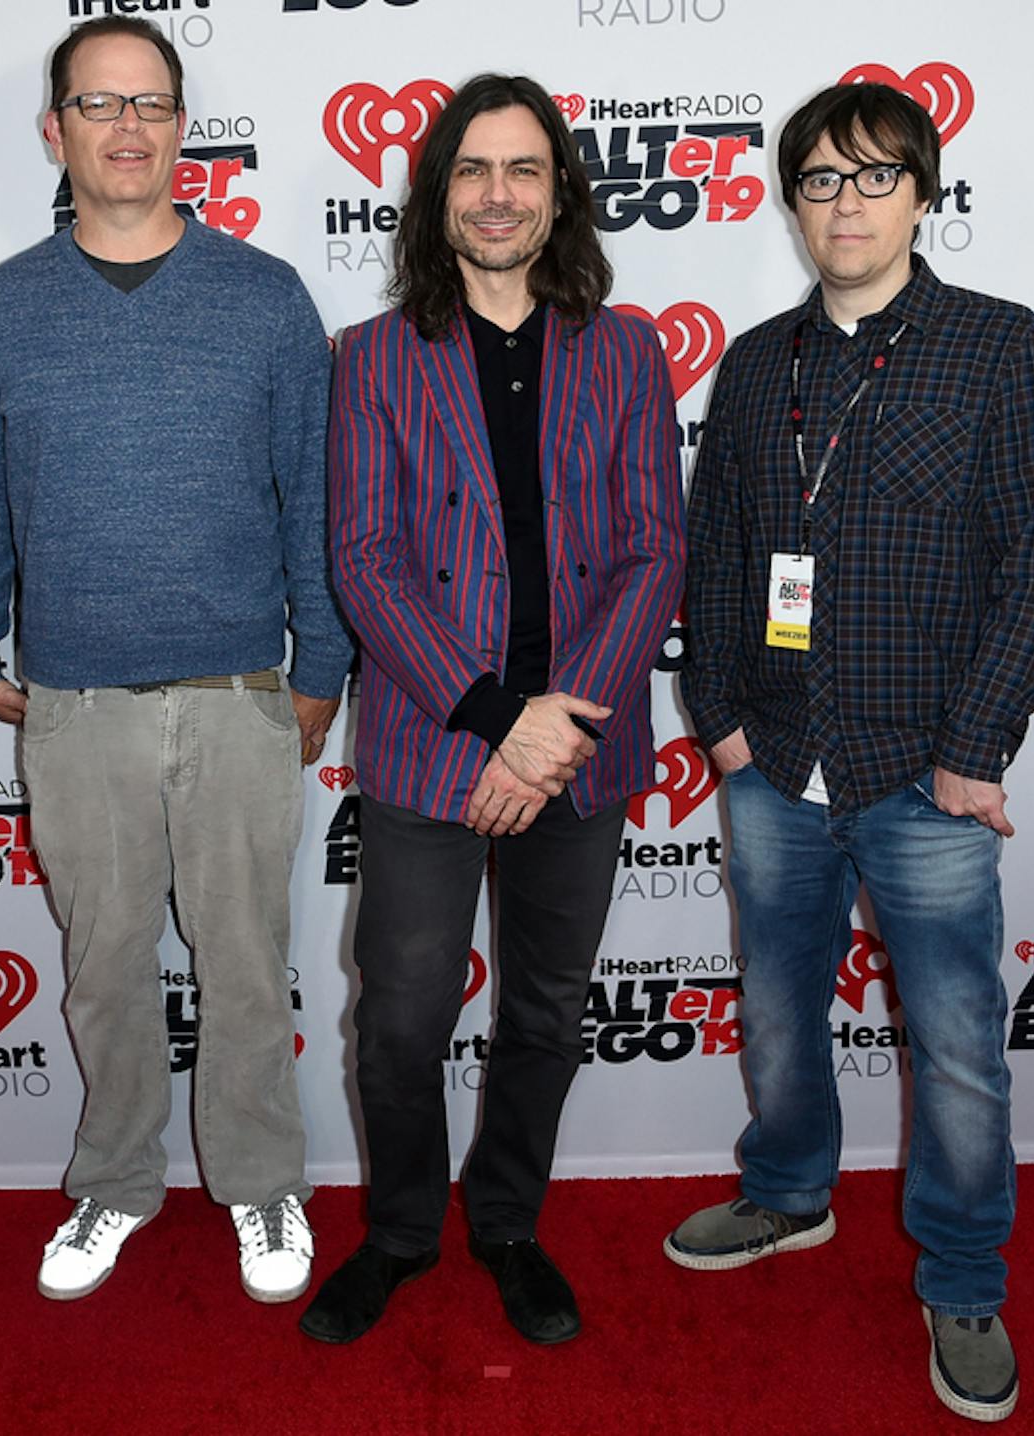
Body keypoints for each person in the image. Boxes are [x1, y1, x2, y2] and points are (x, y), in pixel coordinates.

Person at [669, 81, 1034, 1422]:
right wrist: (721, 717)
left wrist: (976, 744)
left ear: (923, 193)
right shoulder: (757, 364)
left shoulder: (1002, 346)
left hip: (928, 773)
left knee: (954, 1042)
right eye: (821, 180)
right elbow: (716, 554)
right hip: (776, 763)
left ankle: (962, 1277)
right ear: (793, 203)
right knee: (780, 1009)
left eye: (875, 176)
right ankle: (790, 1193)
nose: (846, 203)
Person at [0, 16, 351, 1307]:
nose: (127, 126)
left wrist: (322, 666)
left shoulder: (267, 296)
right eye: (99, 103)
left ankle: (262, 1180)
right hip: (77, 706)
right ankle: (115, 1182)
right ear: (54, 131)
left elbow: (314, 501)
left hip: (238, 697)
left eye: (151, 104)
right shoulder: (1, 309)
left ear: (182, 128)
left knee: (246, 967)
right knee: (103, 972)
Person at [305, 74, 684, 1347]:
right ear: (438, 193)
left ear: (560, 191)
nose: (499, 194)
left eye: (524, 168)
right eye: (472, 169)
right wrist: (492, 715)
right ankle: (403, 1230)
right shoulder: (372, 358)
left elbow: (655, 551)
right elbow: (364, 559)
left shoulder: (626, 351)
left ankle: (510, 1222)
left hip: (580, 751)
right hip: (434, 745)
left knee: (545, 1008)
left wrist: (557, 732)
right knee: (400, 1015)